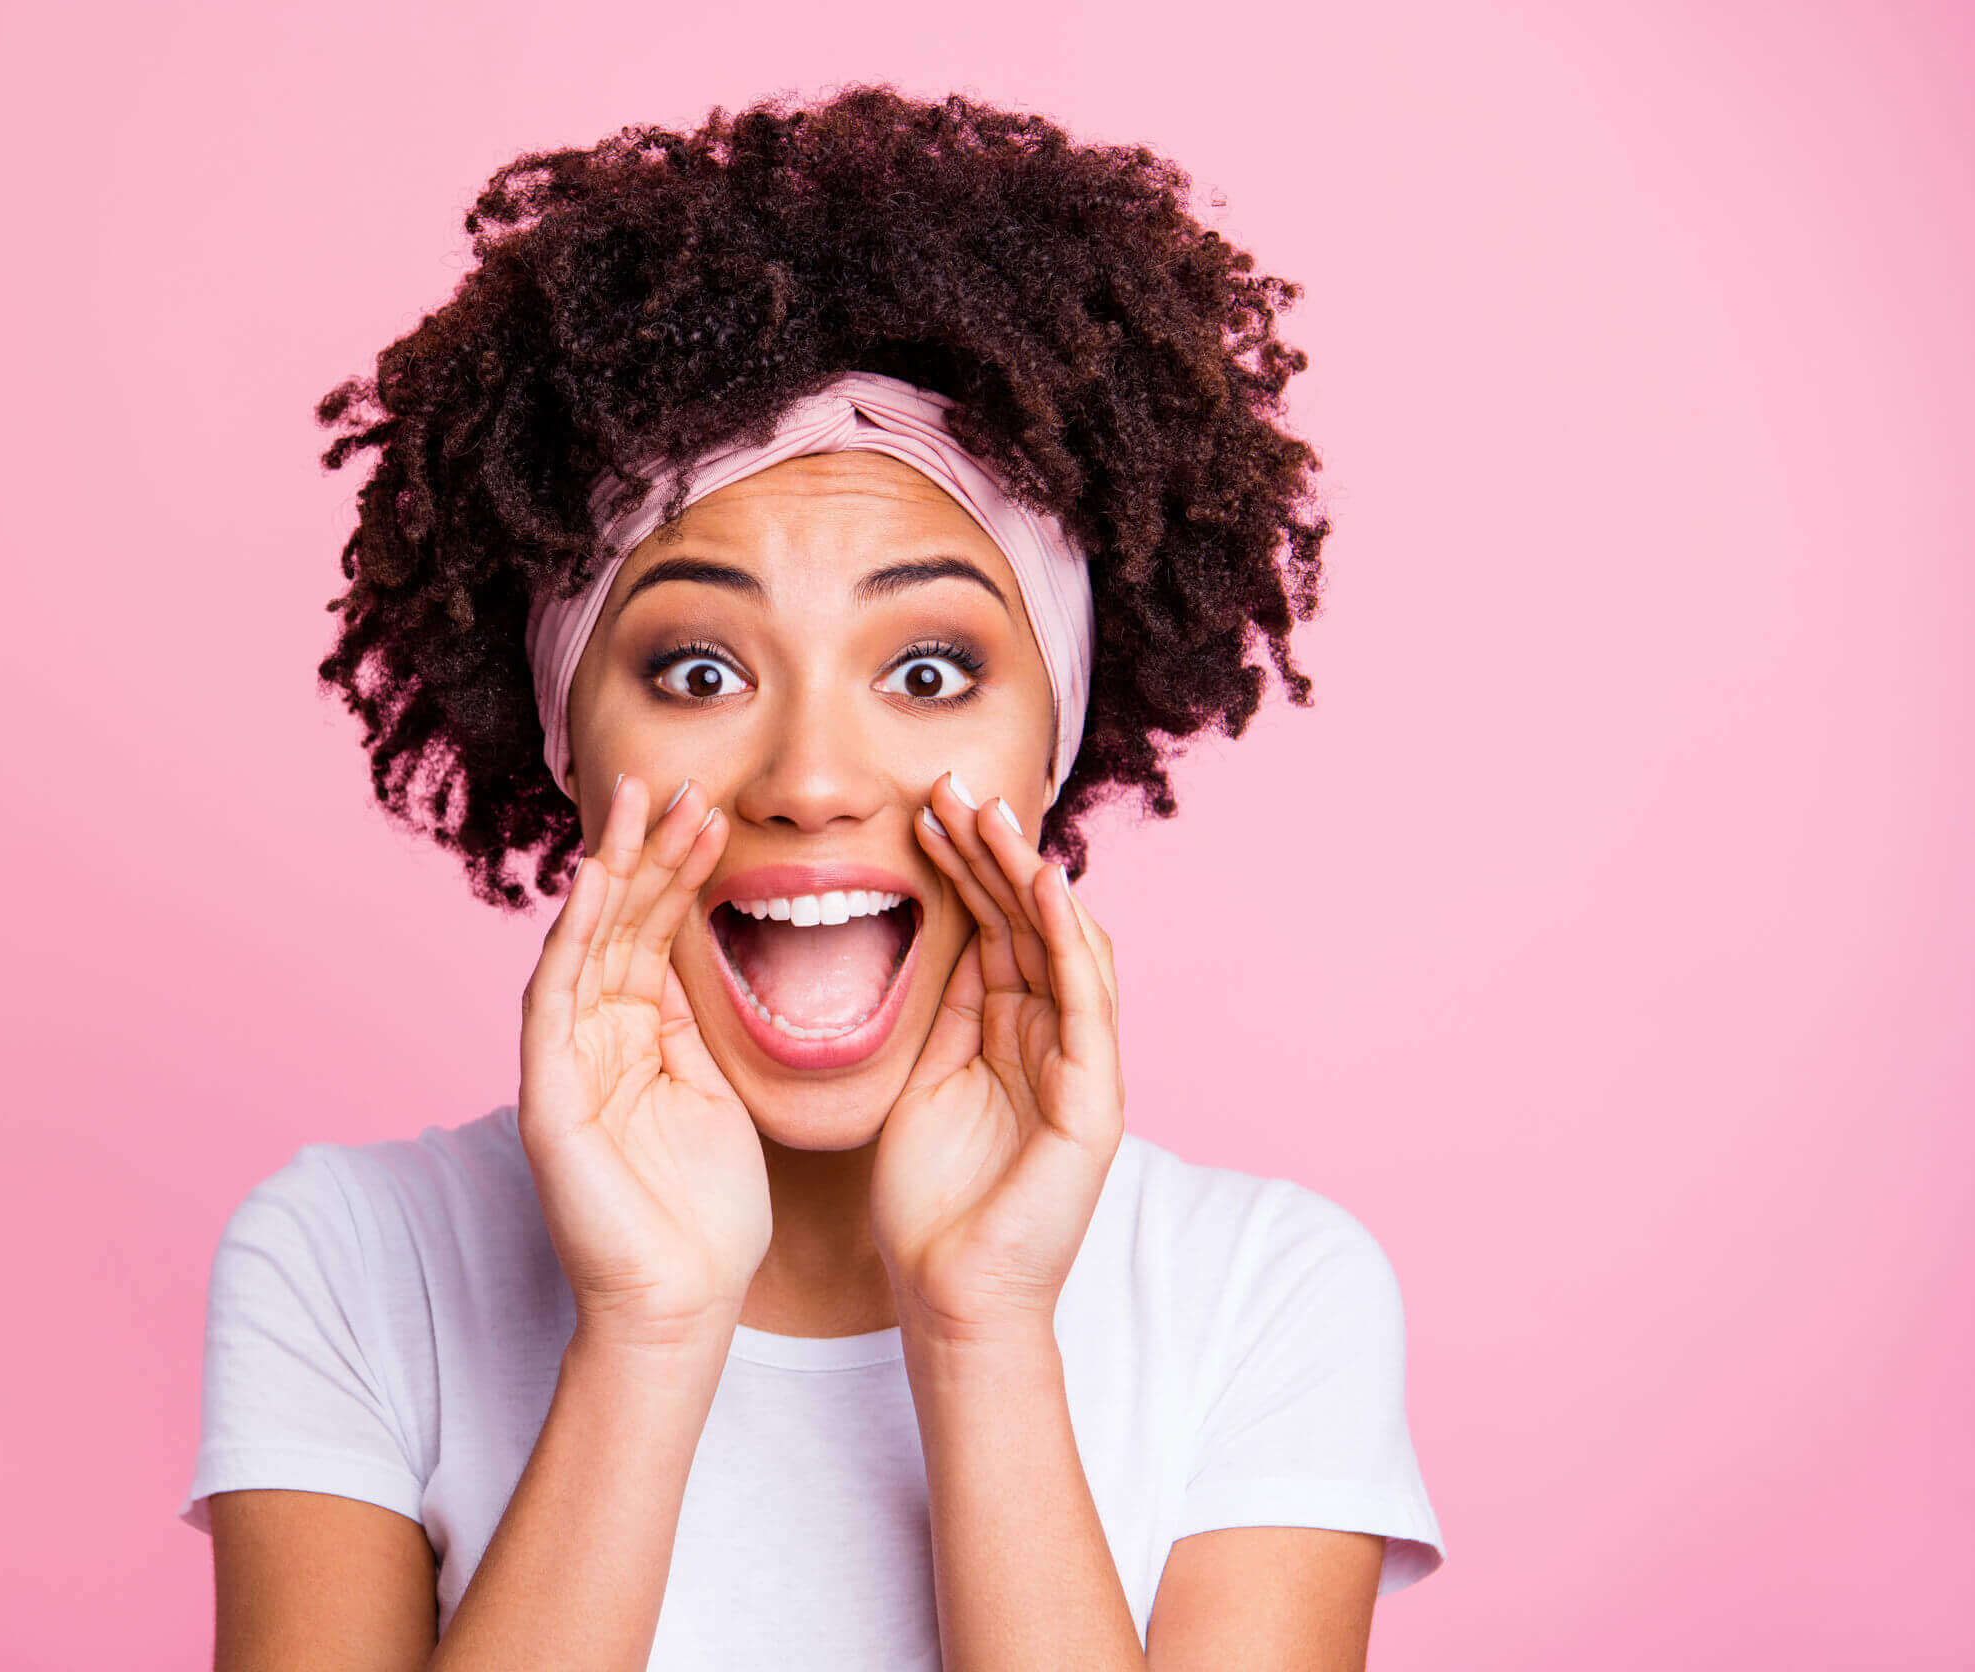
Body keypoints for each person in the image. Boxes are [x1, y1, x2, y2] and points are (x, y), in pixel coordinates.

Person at [182, 86, 1445, 1671]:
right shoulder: (354, 1261)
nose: (816, 782)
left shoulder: (1262, 1295)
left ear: (1050, 744)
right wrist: (647, 1335)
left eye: (928, 672)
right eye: (699, 671)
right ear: (569, 740)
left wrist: (982, 1331)